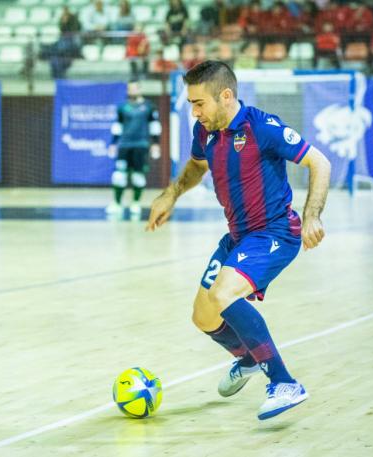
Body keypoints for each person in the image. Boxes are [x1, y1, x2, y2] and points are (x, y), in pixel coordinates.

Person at [146, 61, 331, 420]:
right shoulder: (205, 131)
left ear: (226, 96)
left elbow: (319, 163)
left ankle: (284, 383)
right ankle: (246, 358)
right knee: (203, 316)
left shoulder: (262, 127)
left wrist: (312, 215)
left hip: (275, 232)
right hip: (238, 236)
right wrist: (171, 194)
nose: (195, 111)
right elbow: (197, 166)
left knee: (224, 294)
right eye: (191, 104)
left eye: (199, 103)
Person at [106, 81, 161, 218]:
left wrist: (155, 143)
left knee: (138, 176)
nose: (133, 90)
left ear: (140, 89)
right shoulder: (122, 107)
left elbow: (154, 125)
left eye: (135, 88)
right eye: (130, 89)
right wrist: (113, 143)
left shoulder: (149, 106)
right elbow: (117, 126)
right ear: (128, 91)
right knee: (119, 176)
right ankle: (117, 204)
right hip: (124, 146)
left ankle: (135, 203)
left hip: (141, 146)